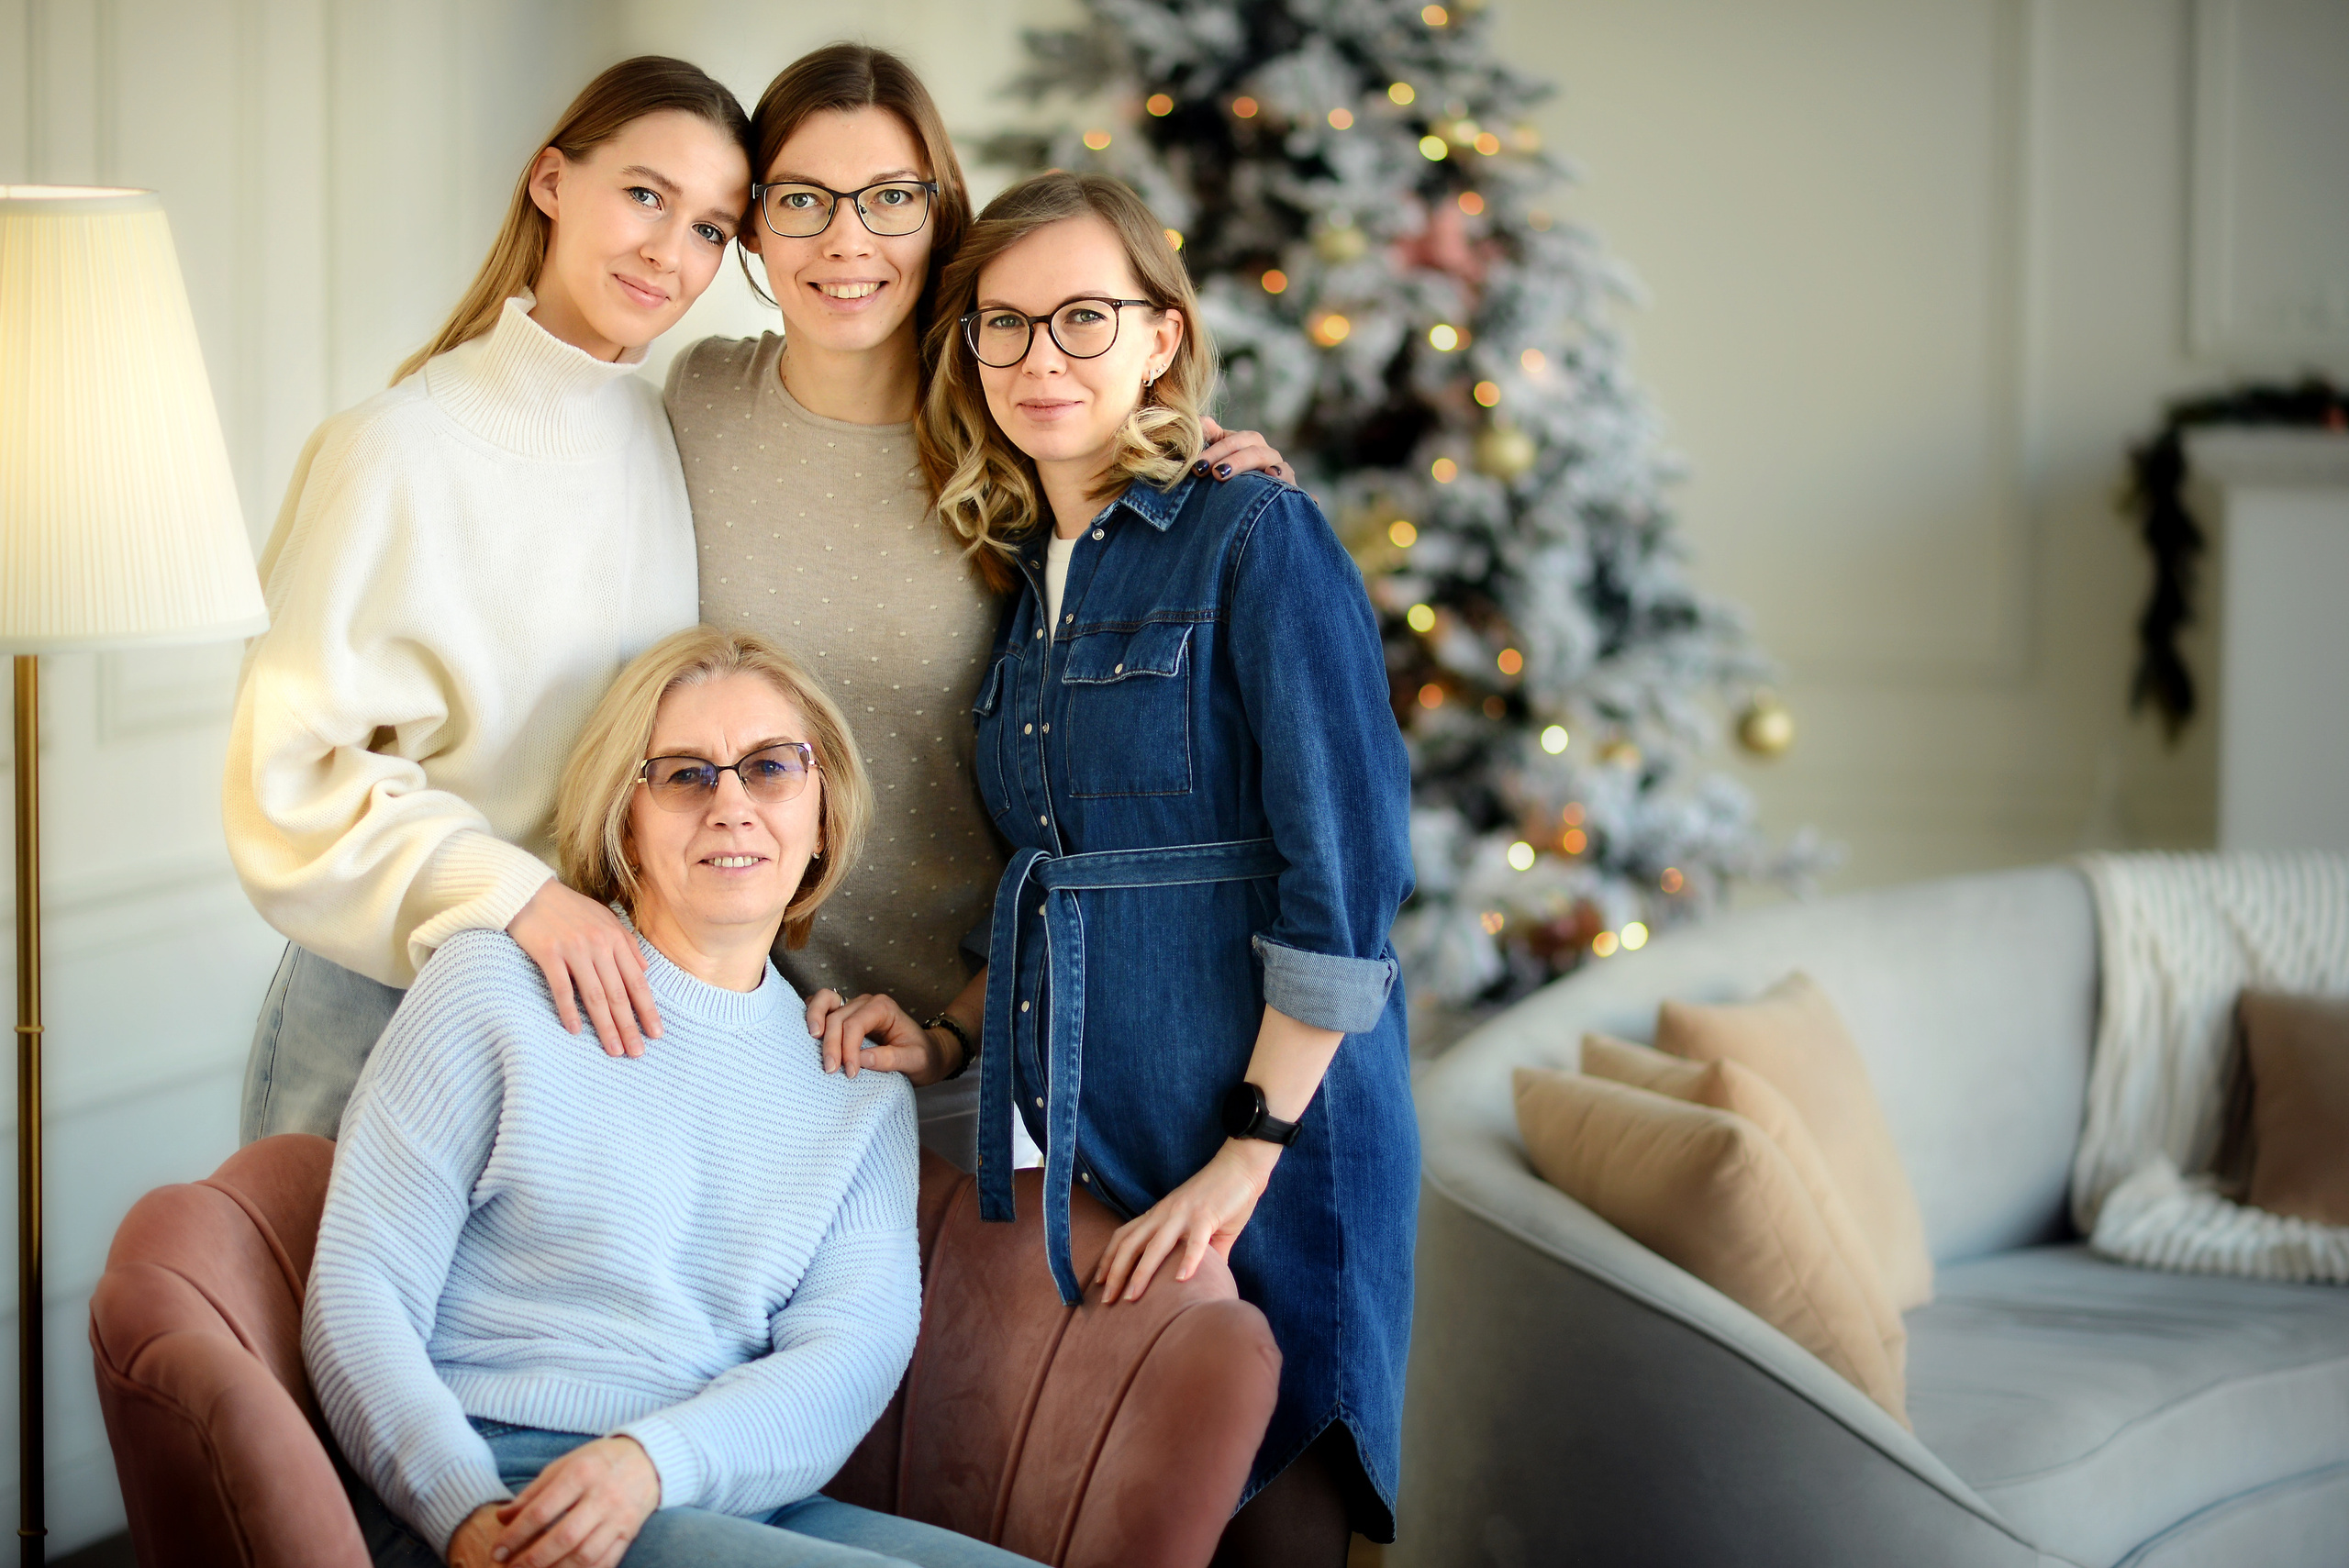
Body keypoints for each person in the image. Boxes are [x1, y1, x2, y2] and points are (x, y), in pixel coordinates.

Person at [829, 172, 1419, 1567]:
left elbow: (1344, 888)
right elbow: (1061, 873)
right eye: (1005, 326)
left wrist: (1247, 1160)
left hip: (1277, 1150)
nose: (1043, 359)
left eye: (1085, 318)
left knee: (1278, 1532)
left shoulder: (1255, 537)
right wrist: (954, 1030)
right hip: (1100, 1156)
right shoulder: (1025, 574)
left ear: (1162, 334)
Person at [664, 43, 1289, 1165]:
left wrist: (1207, 459)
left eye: (891, 198)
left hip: (952, 1050)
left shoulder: (1010, 436)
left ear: (940, 213)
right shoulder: (694, 397)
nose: (848, 240)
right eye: (802, 199)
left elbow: (1097, 783)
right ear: (751, 224)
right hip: (716, 1025)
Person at [305, 627, 1036, 1568]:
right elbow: (358, 1291)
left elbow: (847, 1360)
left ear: (822, 814)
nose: (731, 803)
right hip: (508, 1486)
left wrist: (653, 1462)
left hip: (720, 1489)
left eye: (770, 767)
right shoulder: (492, 984)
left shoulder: (856, 1087)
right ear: (626, 820)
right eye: (686, 774)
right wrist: (458, 1506)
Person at [226, 57, 750, 1144]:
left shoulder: (658, 433)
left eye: (711, 227)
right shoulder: (394, 451)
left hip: (589, 1013)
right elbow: (287, 775)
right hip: (389, 1004)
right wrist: (514, 893)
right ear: (551, 181)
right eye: (645, 194)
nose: (669, 250)